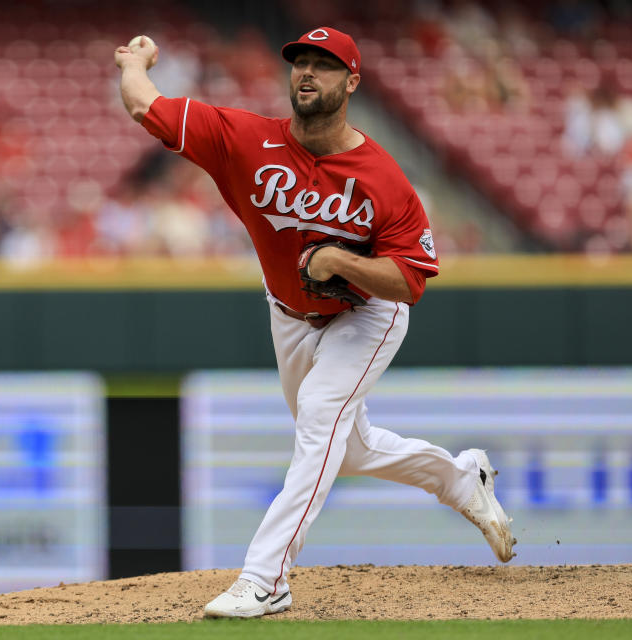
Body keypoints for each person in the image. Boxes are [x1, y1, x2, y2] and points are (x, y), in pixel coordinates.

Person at [114, 27, 516, 619]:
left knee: (320, 423)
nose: (307, 73)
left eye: (324, 66)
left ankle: (265, 576)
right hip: (289, 315)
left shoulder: (383, 177)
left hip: (366, 314)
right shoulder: (246, 139)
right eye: (300, 62)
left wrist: (338, 261)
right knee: (347, 449)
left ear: (352, 82)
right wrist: (135, 60)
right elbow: (145, 104)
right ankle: (461, 479)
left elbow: (410, 281)